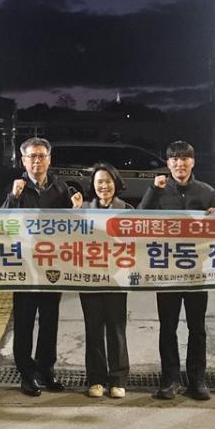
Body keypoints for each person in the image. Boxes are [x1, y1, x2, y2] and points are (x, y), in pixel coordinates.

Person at [139, 141, 215, 401]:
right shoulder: (158, 190)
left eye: (184, 158)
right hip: (167, 272)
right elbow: (140, 219)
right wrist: (153, 190)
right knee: (168, 327)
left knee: (197, 328)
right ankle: (170, 379)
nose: (179, 164)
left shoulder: (207, 192)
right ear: (168, 163)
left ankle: (197, 380)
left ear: (193, 162)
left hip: (197, 271)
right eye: (174, 159)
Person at [2, 137, 82, 396]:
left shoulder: (60, 188)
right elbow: (1, 222)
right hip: (25, 266)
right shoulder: (17, 188)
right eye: (32, 156)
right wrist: (13, 197)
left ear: (49, 159)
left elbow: (71, 226)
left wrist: (76, 209)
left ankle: (46, 369)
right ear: (23, 160)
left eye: (41, 156)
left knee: (49, 321)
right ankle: (26, 374)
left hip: (52, 266)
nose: (37, 161)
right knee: (24, 322)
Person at [71, 163, 131, 399]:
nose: (104, 186)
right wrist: (74, 211)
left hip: (117, 278)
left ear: (116, 183)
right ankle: (96, 379)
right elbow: (69, 236)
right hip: (89, 278)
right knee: (93, 328)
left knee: (117, 328)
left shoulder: (126, 210)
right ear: (93, 186)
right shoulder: (84, 209)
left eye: (108, 181)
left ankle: (118, 379)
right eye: (99, 182)